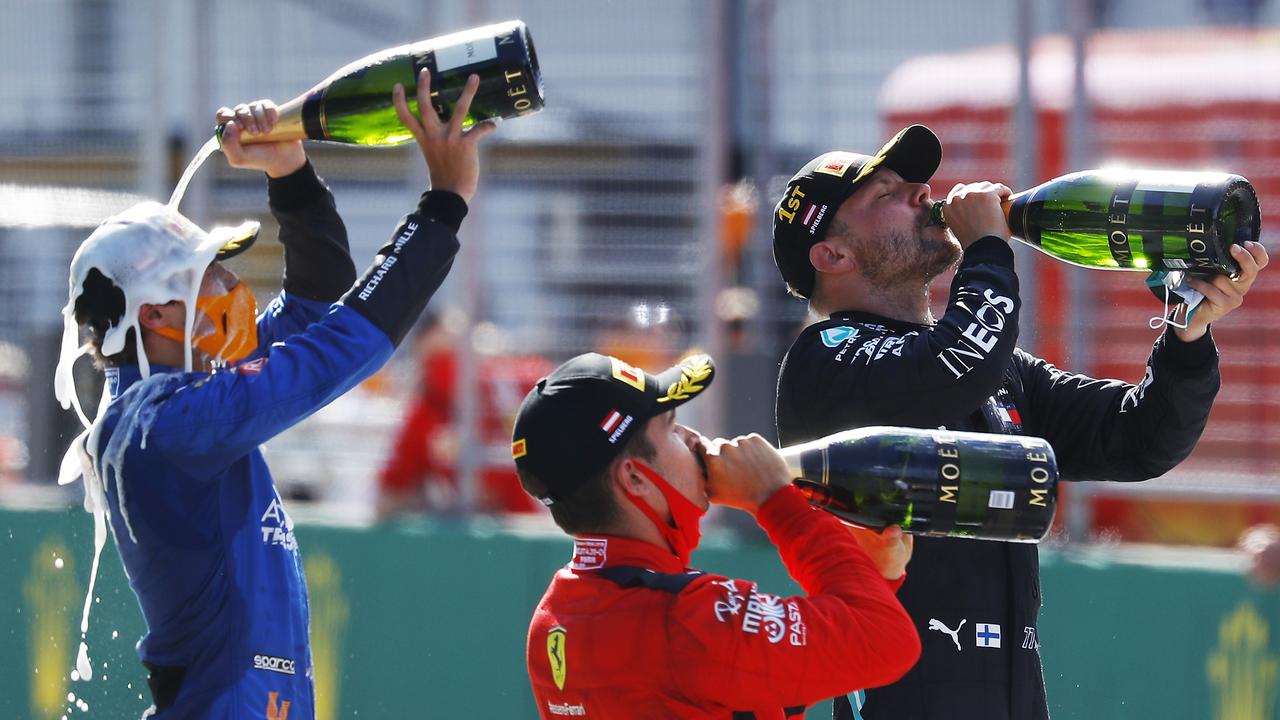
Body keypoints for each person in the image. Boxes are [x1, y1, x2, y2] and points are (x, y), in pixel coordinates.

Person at [770, 124, 1268, 719]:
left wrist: (1188, 330)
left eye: (913, 182)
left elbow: (1140, 439)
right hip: (903, 699)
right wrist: (987, 248)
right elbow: (953, 366)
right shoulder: (826, 357)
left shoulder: (995, 369)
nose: (922, 194)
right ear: (833, 255)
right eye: (886, 194)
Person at [54, 69, 495, 718]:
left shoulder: (174, 400)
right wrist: (442, 205)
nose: (230, 283)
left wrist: (291, 178)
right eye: (208, 274)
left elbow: (317, 306)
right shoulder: (168, 423)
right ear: (153, 315)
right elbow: (341, 346)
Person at [512, 351, 921, 719]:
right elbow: (887, 643)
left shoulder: (553, 618)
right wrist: (775, 501)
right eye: (672, 428)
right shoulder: (686, 616)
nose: (694, 438)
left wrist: (871, 580)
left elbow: (760, 694)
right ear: (635, 478)